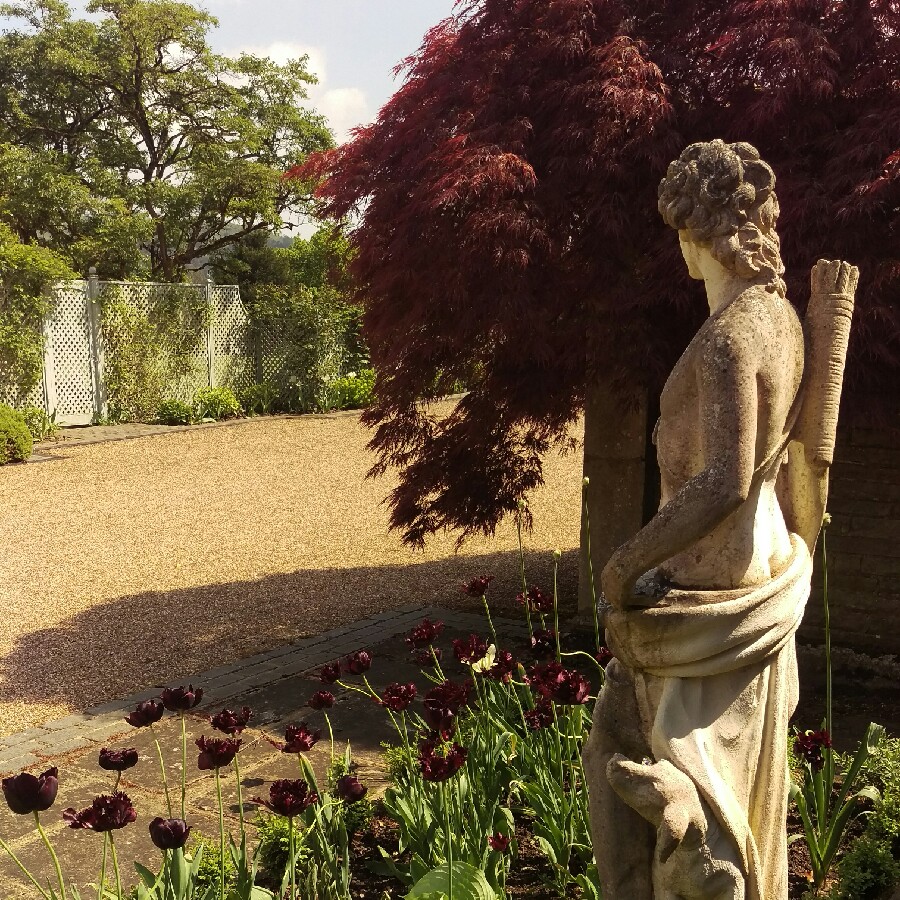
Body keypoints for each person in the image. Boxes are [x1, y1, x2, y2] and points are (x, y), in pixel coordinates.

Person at [583, 139, 858, 900]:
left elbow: (725, 482)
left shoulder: (729, 339)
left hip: (709, 596)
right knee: (726, 785)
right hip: (762, 569)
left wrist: (621, 565)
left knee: (670, 773)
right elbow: (805, 458)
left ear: (693, 238)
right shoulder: (784, 323)